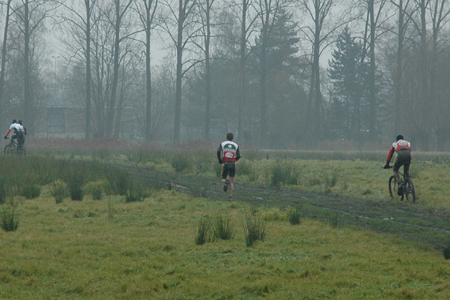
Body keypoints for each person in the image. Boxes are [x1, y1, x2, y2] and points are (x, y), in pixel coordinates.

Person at [217, 132, 241, 201]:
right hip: (233, 164)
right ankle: (230, 197)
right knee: (232, 182)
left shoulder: (222, 143)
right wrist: (234, 160)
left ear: (226, 138)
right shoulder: (236, 145)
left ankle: (226, 181)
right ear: (232, 138)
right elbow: (239, 156)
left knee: (223, 178)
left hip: (225, 163)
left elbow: (218, 151)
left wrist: (220, 160)